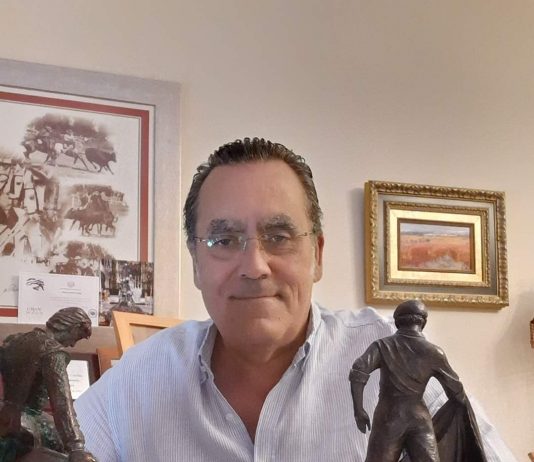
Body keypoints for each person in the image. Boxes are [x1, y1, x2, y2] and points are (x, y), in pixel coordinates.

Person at [74, 138, 516, 461]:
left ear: (317, 256)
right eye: (224, 240)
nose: (254, 266)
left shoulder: (386, 345)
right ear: (195, 262)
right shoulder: (138, 377)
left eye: (279, 236)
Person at [350, 299, 486, 462]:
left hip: (388, 417)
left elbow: (358, 371)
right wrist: (460, 414)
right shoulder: (434, 352)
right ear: (423, 322)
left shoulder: (382, 346)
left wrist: (359, 410)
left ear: (397, 322)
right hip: (419, 419)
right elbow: (456, 391)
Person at [0, 307, 97, 462]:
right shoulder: (53, 353)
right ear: (73, 328)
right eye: (76, 338)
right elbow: (62, 404)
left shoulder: (14, 340)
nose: (72, 345)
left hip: (5, 415)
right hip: (27, 423)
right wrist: (76, 446)